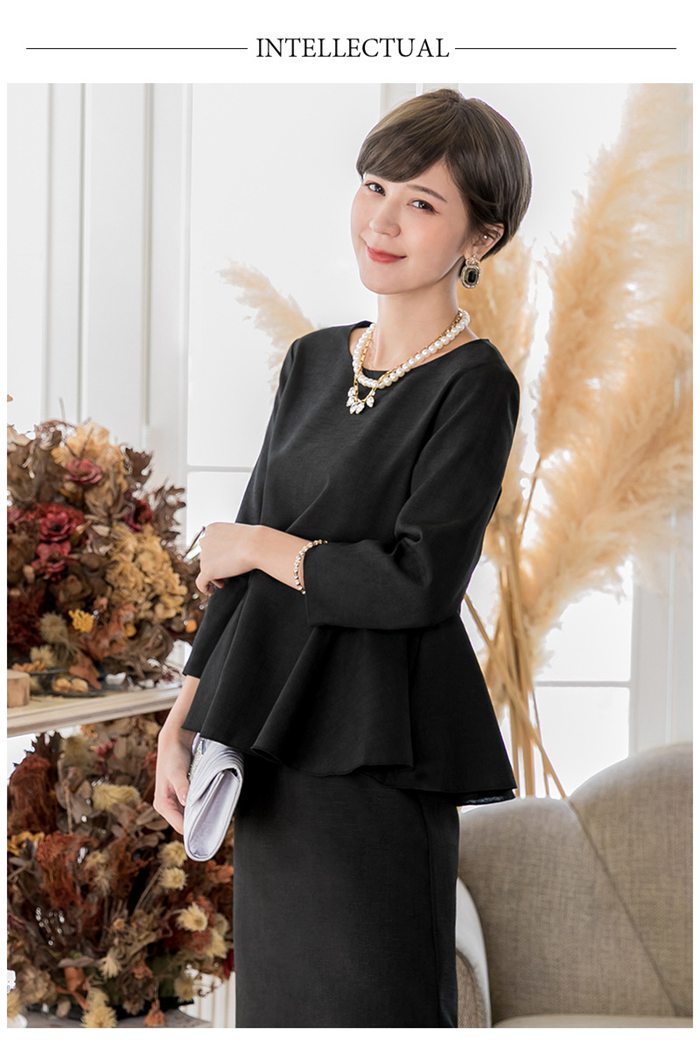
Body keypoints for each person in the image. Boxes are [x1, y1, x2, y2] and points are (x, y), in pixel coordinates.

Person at [155, 87, 532, 1027]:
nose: (383, 220)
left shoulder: (475, 384)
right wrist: (184, 717)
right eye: (374, 187)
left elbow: (417, 584)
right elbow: (234, 569)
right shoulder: (314, 361)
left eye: (422, 202)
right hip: (271, 740)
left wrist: (264, 546)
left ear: (480, 238)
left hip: (376, 752)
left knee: (372, 1007)